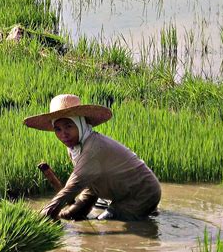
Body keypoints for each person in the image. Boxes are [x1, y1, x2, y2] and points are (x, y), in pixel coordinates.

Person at [24, 94, 161, 221]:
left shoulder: (93, 148)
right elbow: (91, 183)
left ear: (81, 124)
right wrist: (76, 210)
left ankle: (143, 210)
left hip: (141, 193)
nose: (63, 134)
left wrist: (44, 214)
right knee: (71, 214)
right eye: (58, 129)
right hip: (121, 191)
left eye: (69, 126)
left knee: (104, 222)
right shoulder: (76, 148)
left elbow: (74, 186)